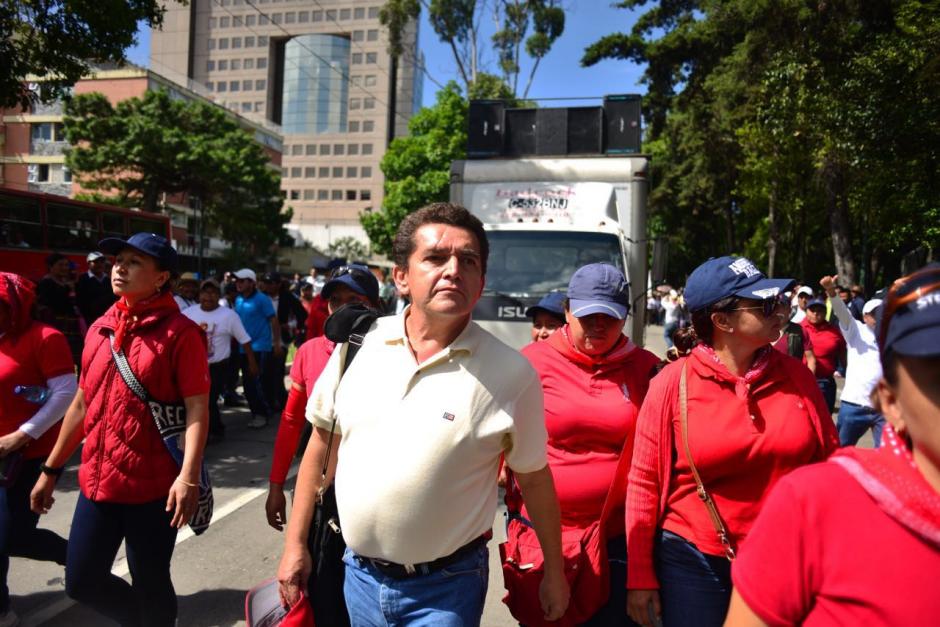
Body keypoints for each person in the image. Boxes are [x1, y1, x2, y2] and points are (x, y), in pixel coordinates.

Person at [276, 203, 570, 625]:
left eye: (468, 261)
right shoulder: (357, 348)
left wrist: (554, 573)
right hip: (357, 577)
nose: (453, 270)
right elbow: (320, 449)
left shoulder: (511, 373)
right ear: (400, 277)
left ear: (481, 282)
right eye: (435, 258)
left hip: (447, 588)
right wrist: (294, 545)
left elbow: (536, 479)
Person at [625, 256, 838, 627]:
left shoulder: (797, 377)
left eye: (779, 299)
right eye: (763, 303)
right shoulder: (672, 383)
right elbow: (643, 482)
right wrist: (640, 576)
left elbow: (831, 462)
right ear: (721, 321)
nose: (780, 309)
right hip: (694, 560)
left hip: (786, 555)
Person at [726, 263, 940, 626]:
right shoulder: (815, 504)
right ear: (892, 403)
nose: (788, 312)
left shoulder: (803, 362)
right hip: (853, 405)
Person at [30, 233, 210, 627]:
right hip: (98, 483)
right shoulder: (100, 327)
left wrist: (188, 477)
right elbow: (80, 403)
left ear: (162, 277)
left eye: (134, 262)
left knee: (151, 581)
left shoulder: (181, 333)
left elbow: (198, 408)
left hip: (154, 489)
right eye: (118, 260)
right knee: (81, 581)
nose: (120, 267)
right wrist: (50, 469)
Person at [520, 263, 660, 625]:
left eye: (609, 317)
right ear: (567, 311)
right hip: (547, 535)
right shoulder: (530, 364)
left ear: (625, 318)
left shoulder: (646, 368)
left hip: (618, 535)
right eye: (588, 315)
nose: (598, 325)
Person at [264, 264, 382, 531]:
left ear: (374, 305)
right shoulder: (308, 352)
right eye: (335, 300)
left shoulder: (393, 351)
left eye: (354, 300)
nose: (342, 308)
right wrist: (276, 486)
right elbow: (291, 421)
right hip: (317, 488)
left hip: (372, 493)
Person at [0, 272, 75, 627]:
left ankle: (76, 557)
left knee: (13, 534)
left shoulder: (47, 338)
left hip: (28, 457)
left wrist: (22, 435)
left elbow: (64, 395)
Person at [183, 280, 259, 443]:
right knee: (199, 401)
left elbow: (244, 340)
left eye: (212, 293)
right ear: (199, 295)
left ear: (218, 295)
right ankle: (212, 429)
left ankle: (212, 432)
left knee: (209, 399)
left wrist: (252, 363)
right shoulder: (188, 313)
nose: (208, 296)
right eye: (205, 292)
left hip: (218, 366)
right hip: (194, 366)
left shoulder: (229, 316)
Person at [818, 275, 887, 447]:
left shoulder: (891, 335)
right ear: (865, 316)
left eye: (883, 312)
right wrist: (831, 291)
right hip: (854, 405)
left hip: (883, 409)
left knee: (888, 456)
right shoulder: (856, 331)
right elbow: (842, 311)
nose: (879, 316)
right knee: (839, 451)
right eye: (874, 313)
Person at [233, 268, 281, 429]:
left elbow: (274, 321)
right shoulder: (238, 299)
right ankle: (259, 412)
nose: (238, 283)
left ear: (252, 283)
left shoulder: (262, 299)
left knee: (255, 382)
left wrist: (276, 344)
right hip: (242, 348)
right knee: (248, 383)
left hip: (260, 346)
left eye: (242, 280)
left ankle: (262, 414)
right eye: (237, 281)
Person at [259, 273, 308, 411]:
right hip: (263, 339)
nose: (268, 286)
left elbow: (302, 315)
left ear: (278, 284)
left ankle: (282, 404)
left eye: (271, 283)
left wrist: (290, 325)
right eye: (266, 283)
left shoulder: (288, 297)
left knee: (277, 373)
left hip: (281, 340)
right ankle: (268, 402)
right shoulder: (261, 297)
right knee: (264, 374)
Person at [35, 252, 82, 369]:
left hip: (71, 325)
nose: (65, 268)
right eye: (61, 265)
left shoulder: (69, 283)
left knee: (74, 354)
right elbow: (52, 304)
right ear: (51, 267)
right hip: (55, 323)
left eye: (66, 265)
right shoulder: (46, 283)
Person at [800, 296, 846, 413]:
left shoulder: (834, 332)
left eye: (819, 310)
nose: (815, 313)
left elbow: (843, 356)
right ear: (806, 311)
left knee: (825, 422)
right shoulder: (798, 329)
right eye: (812, 310)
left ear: (826, 312)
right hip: (801, 381)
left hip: (825, 383)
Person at [75, 251, 115, 329]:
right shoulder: (83, 279)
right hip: (89, 320)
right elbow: (81, 301)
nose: (99, 264)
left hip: (107, 319)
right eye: (96, 262)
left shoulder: (109, 280)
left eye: (102, 261)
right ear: (89, 263)